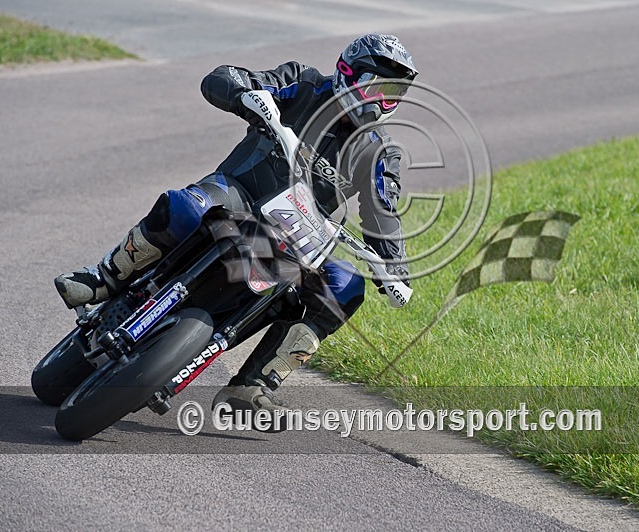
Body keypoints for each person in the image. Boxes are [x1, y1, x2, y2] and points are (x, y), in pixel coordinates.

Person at [54, 33, 417, 415]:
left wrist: (395, 270)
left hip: (301, 234)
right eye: (371, 84)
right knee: (185, 206)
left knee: (346, 286)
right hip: (237, 192)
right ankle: (104, 277)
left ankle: (254, 384)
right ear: (347, 71)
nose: (377, 98)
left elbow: (383, 211)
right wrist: (245, 93)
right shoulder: (304, 82)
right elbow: (222, 77)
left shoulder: (379, 150)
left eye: (390, 92)